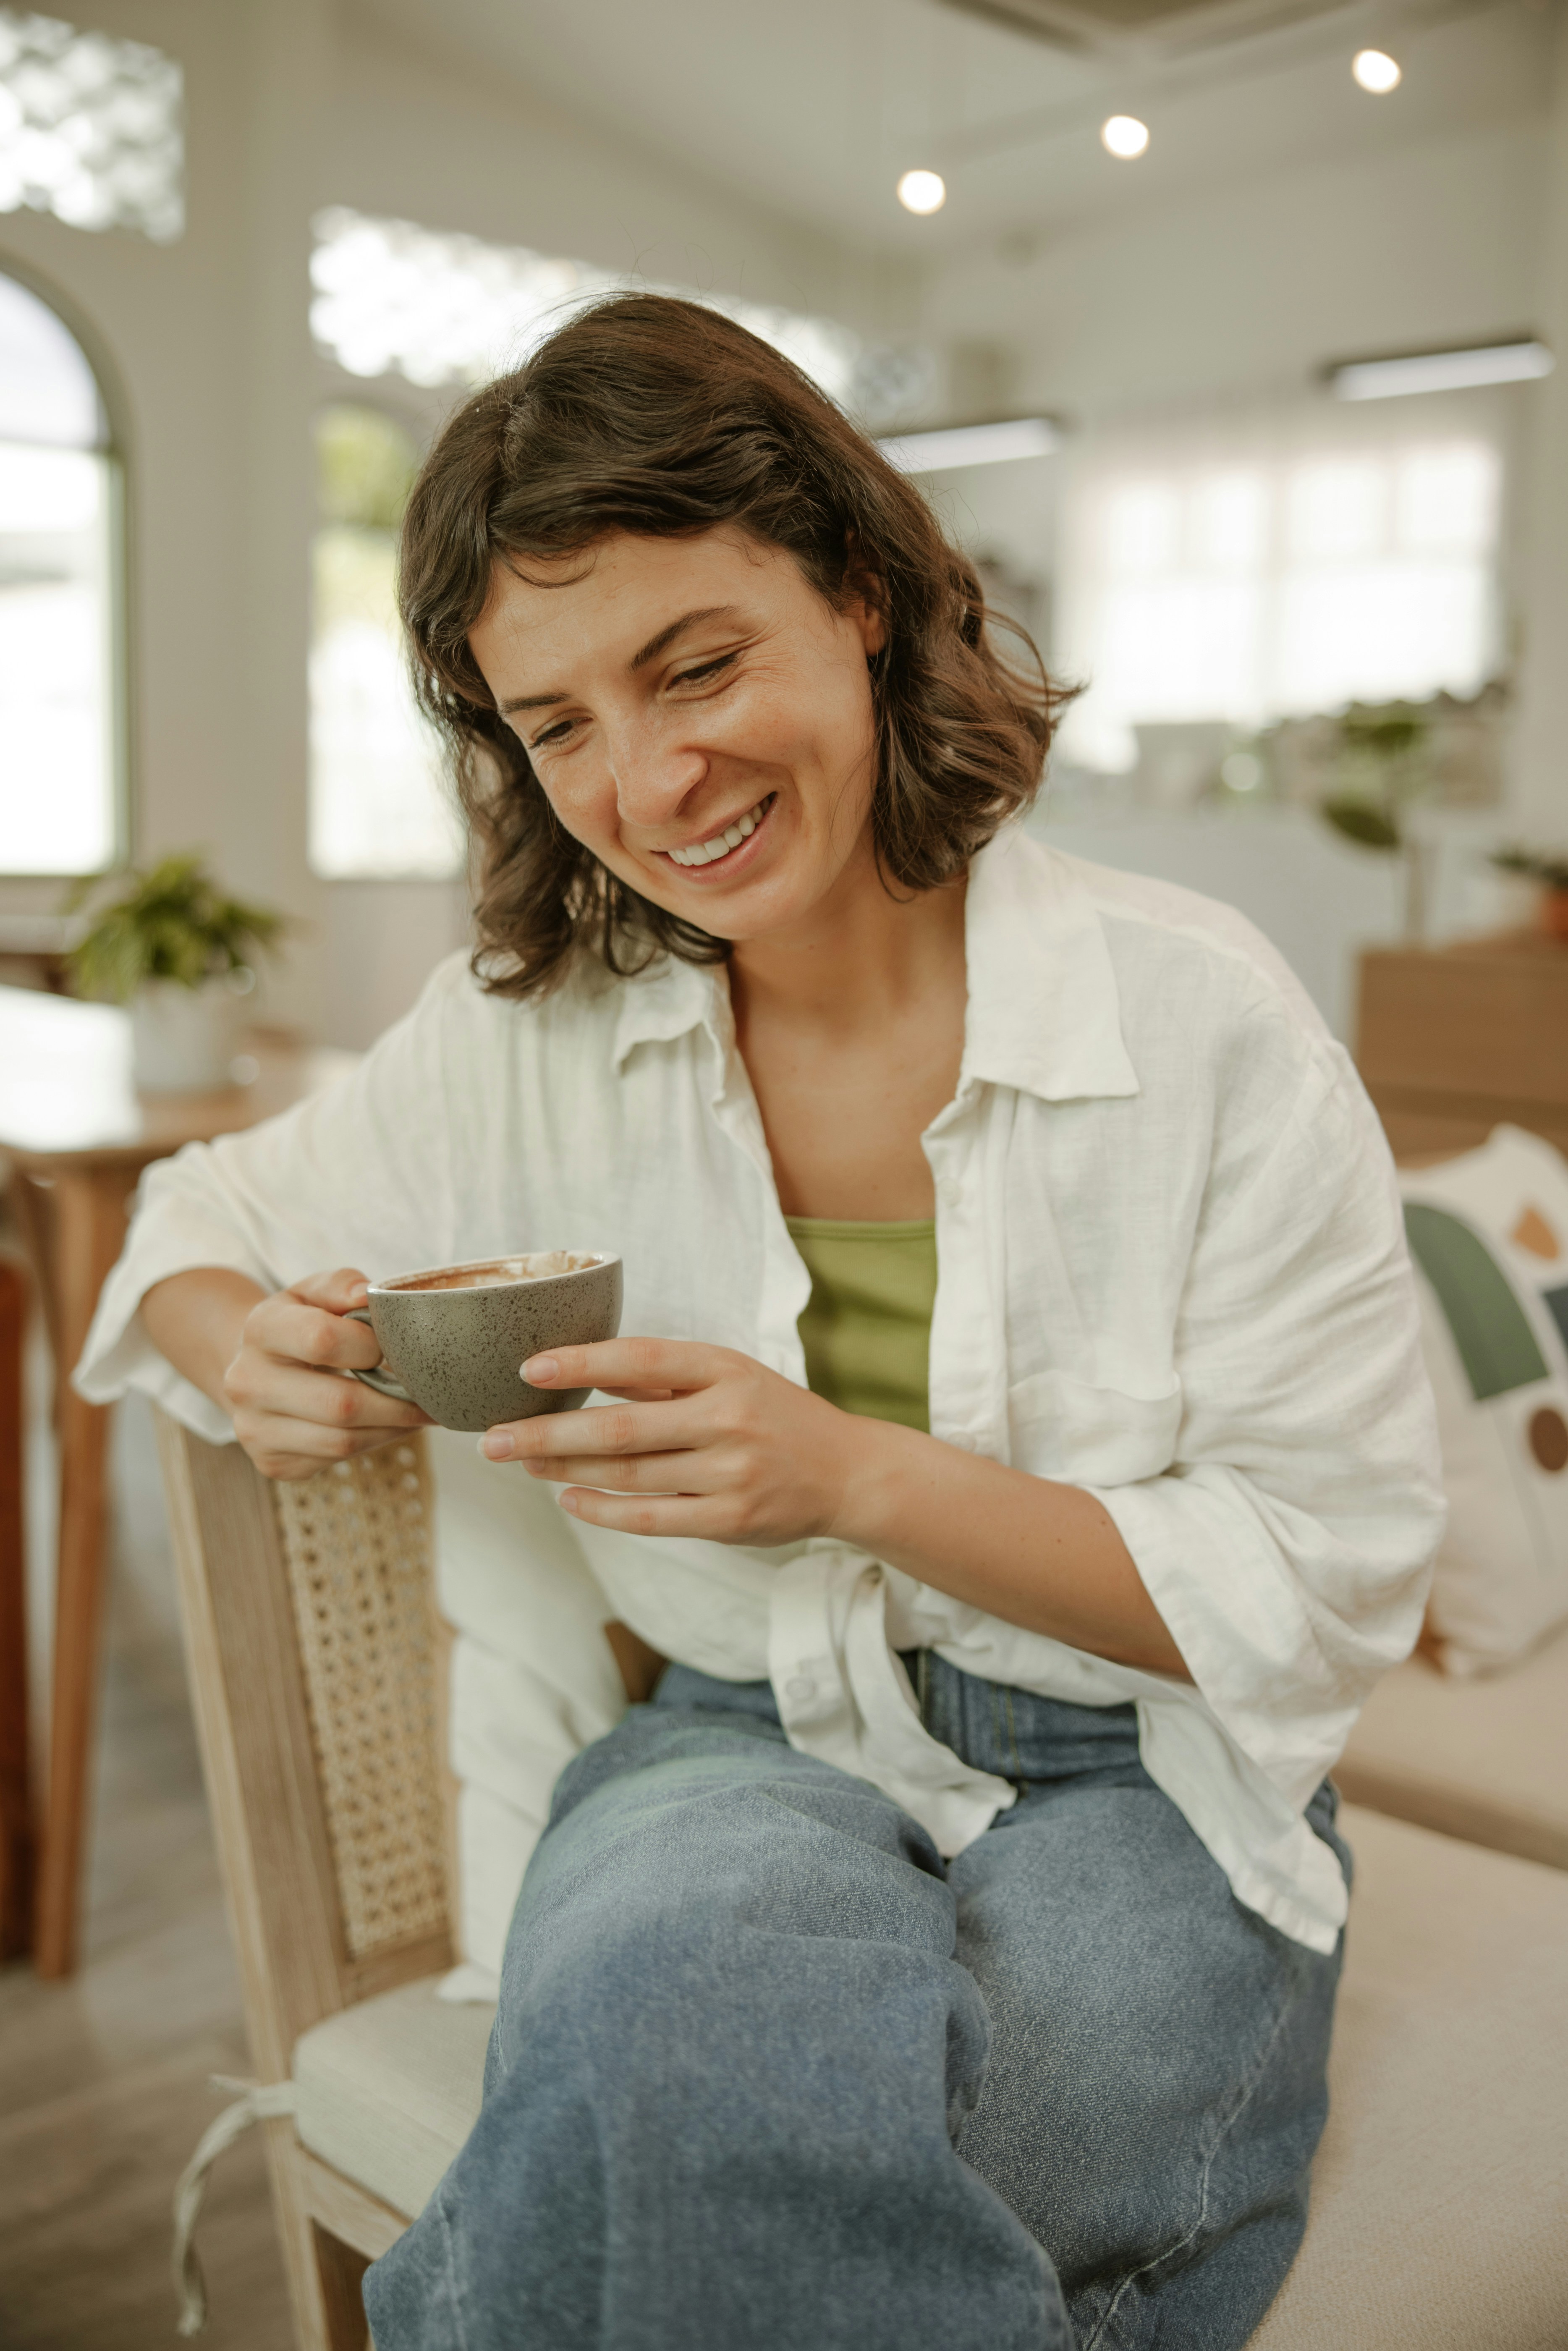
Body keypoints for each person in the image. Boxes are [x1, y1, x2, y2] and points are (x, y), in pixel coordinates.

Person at [79, 295, 1443, 2351]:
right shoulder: (525, 1039)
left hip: (1141, 1772)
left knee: (816, 2163)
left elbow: (1319, 1575)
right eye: (557, 724)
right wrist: (239, 1345)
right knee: (688, 2052)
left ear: (863, 594)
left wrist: (848, 1476)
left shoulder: (1202, 1023)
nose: (647, 780)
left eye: (695, 664)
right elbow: (197, 1220)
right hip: (729, 1740)